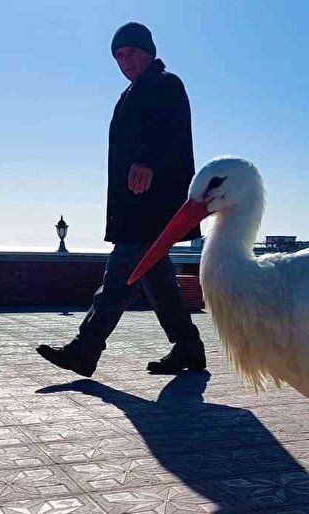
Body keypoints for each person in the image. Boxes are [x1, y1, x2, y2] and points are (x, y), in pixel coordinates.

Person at [37, 22, 204, 377]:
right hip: (133, 206)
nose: (123, 61)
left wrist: (147, 160)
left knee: (119, 277)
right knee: (157, 280)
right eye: (118, 56)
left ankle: (86, 348)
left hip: (153, 206)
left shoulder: (166, 84)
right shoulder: (129, 94)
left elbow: (172, 132)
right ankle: (188, 345)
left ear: (148, 51)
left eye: (129, 52)